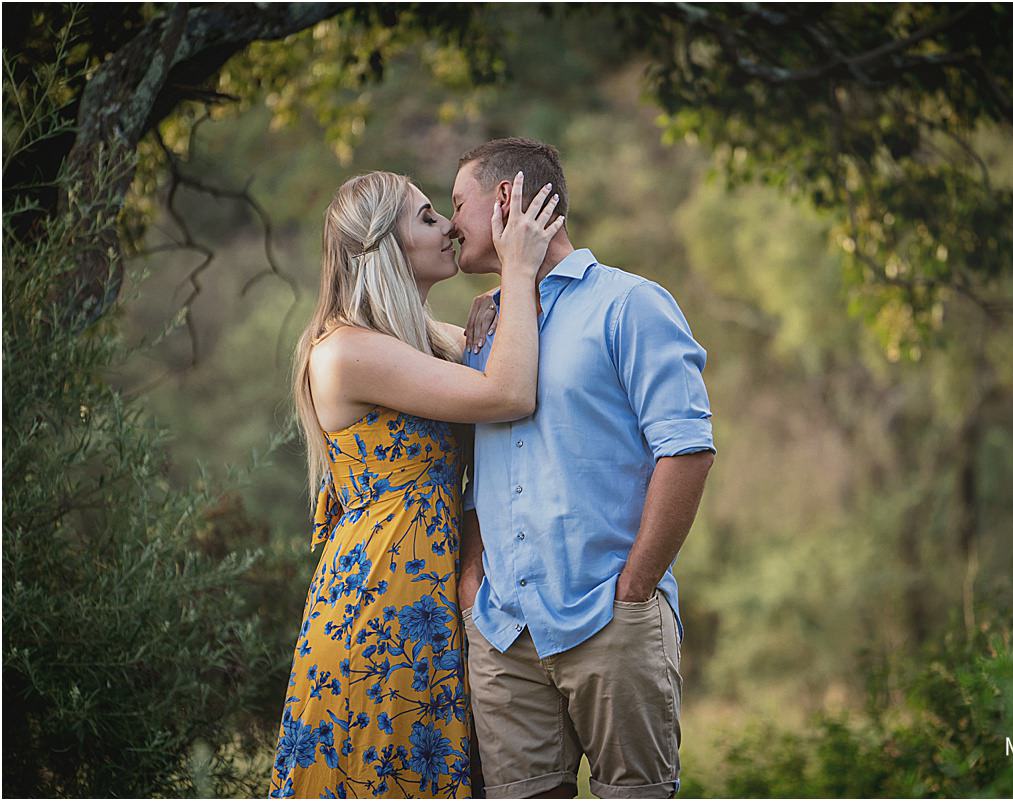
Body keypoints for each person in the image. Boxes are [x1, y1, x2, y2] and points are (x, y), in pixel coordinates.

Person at [269, 169, 563, 798]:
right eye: (428, 217)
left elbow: (503, 362)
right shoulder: (347, 351)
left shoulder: (428, 344)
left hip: (436, 597)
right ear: (382, 246)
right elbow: (508, 392)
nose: (451, 227)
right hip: (380, 600)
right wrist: (513, 272)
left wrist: (501, 306)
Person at [450, 137, 716, 799]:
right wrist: (474, 579)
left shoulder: (630, 305)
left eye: (458, 204)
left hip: (610, 617)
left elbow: (687, 449)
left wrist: (635, 589)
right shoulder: (485, 329)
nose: (451, 225)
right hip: (505, 631)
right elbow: (484, 459)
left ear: (506, 199)